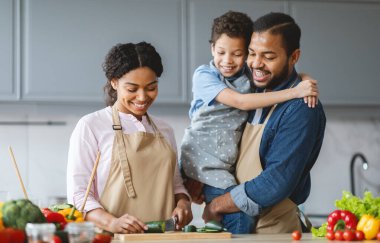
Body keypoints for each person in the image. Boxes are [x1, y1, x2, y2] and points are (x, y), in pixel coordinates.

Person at [180, 11, 318, 234]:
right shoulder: (253, 87)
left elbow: (275, 182)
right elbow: (233, 111)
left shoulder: (301, 108)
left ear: (293, 57)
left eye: (269, 57)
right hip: (222, 188)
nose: (256, 64)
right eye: (252, 53)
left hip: (274, 230)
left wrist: (218, 204)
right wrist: (200, 174)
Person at [66, 42, 192, 234]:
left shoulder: (165, 129)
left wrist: (184, 204)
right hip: (111, 237)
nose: (142, 97)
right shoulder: (91, 125)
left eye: (151, 87)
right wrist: (111, 223)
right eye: (132, 89)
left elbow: (175, 184)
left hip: (163, 238)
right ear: (114, 82)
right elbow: (79, 195)